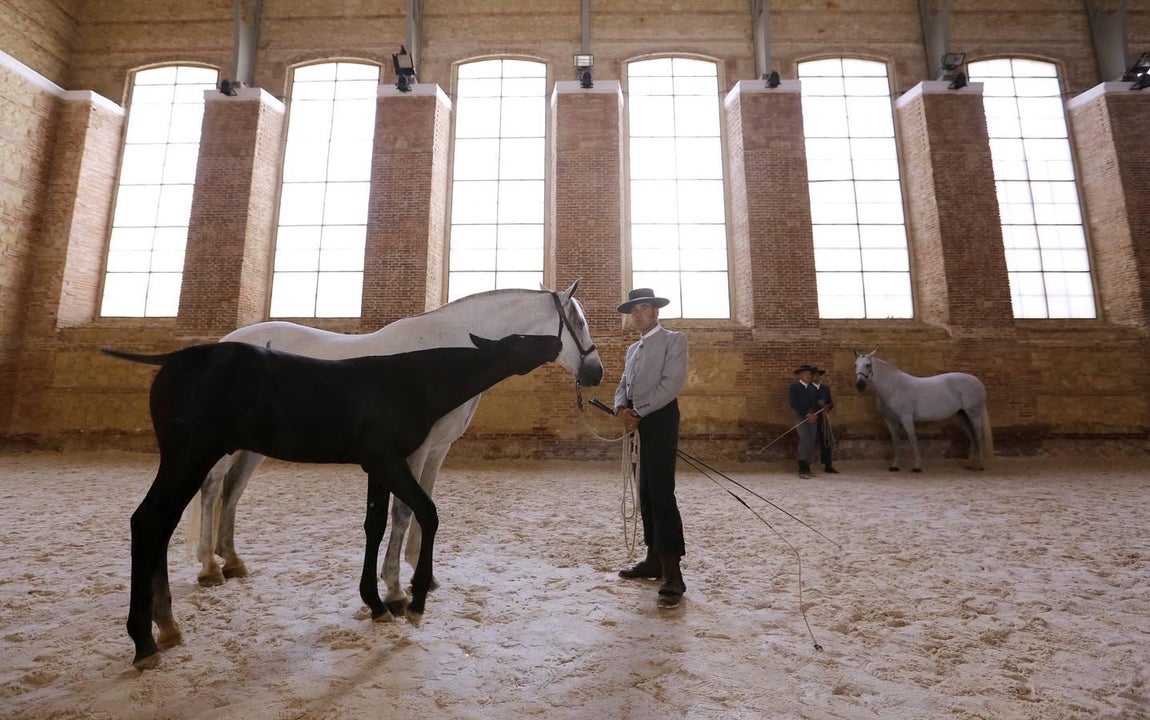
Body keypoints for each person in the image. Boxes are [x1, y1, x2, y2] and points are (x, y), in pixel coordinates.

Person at [613, 288, 689, 609]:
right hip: (636, 425)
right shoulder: (633, 348)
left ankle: (673, 573)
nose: (638, 314)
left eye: (643, 308)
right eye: (634, 310)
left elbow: (671, 385)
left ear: (656, 311)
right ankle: (653, 559)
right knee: (643, 490)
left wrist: (638, 411)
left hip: (659, 421)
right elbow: (623, 384)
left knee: (661, 493)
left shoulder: (674, 340)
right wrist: (620, 409)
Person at [788, 364, 819, 479]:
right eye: (806, 374)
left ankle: (808, 466)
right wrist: (806, 414)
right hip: (801, 417)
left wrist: (814, 414)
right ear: (800, 375)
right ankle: (802, 469)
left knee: (811, 440)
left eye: (810, 374)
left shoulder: (813, 388)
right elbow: (794, 403)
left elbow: (816, 404)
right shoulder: (794, 387)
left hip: (813, 418)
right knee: (804, 439)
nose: (808, 376)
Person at [811, 367, 838, 473]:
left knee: (826, 440)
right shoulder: (808, 388)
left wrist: (828, 407)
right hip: (812, 418)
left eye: (818, 375)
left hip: (823, 418)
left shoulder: (825, 388)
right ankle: (807, 465)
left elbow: (830, 402)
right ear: (811, 376)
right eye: (814, 375)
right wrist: (817, 403)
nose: (817, 377)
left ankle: (828, 465)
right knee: (809, 441)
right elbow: (806, 403)